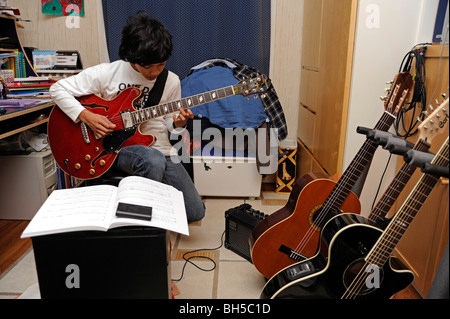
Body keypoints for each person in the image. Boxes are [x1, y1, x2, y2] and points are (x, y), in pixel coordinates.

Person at [50, 11, 205, 223]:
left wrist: (178, 123)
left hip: (157, 146)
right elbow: (58, 89)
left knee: (195, 212)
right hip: (112, 149)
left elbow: (170, 122)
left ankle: (135, 202)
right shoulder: (108, 73)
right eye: (147, 66)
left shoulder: (171, 81)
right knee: (152, 160)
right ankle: (138, 223)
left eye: (160, 64)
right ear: (131, 58)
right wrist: (86, 116)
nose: (154, 72)